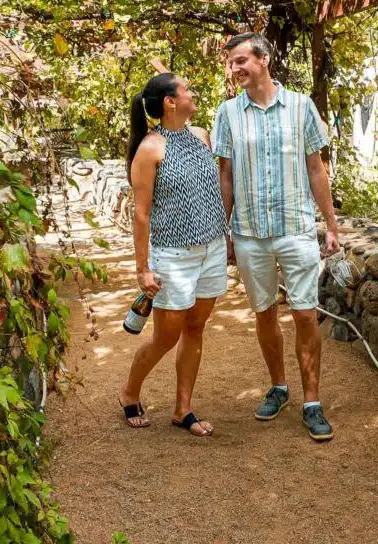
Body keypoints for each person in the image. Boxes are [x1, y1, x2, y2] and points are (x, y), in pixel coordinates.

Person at [212, 33, 340, 441]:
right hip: (250, 233)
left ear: (264, 59)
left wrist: (331, 225)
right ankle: (279, 387)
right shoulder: (227, 113)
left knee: (304, 314)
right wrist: (225, 230)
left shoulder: (302, 107)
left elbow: (316, 169)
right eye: (232, 63)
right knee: (264, 312)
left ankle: (312, 402)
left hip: (296, 229)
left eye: (241, 60)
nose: (235, 69)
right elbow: (226, 176)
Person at [119, 72, 228, 437]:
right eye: (187, 90)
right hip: (174, 256)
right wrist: (143, 269)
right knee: (166, 337)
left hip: (211, 249)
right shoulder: (150, 149)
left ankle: (183, 408)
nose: (194, 93)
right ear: (169, 102)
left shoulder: (199, 137)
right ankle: (129, 392)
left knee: (195, 328)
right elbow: (142, 213)